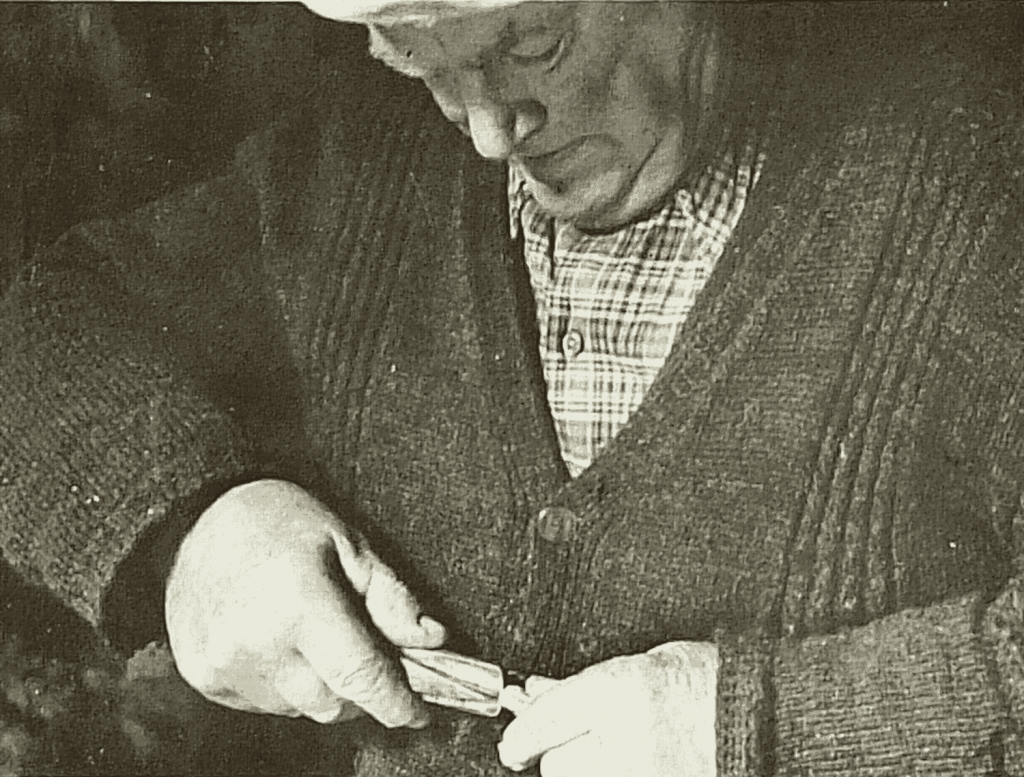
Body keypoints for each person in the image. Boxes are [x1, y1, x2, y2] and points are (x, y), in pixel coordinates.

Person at [1, 1, 1022, 774]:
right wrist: (193, 532)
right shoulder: (359, 168)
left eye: (535, 46)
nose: (488, 129)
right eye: (421, 61)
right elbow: (40, 330)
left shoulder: (974, 189)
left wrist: (767, 727)